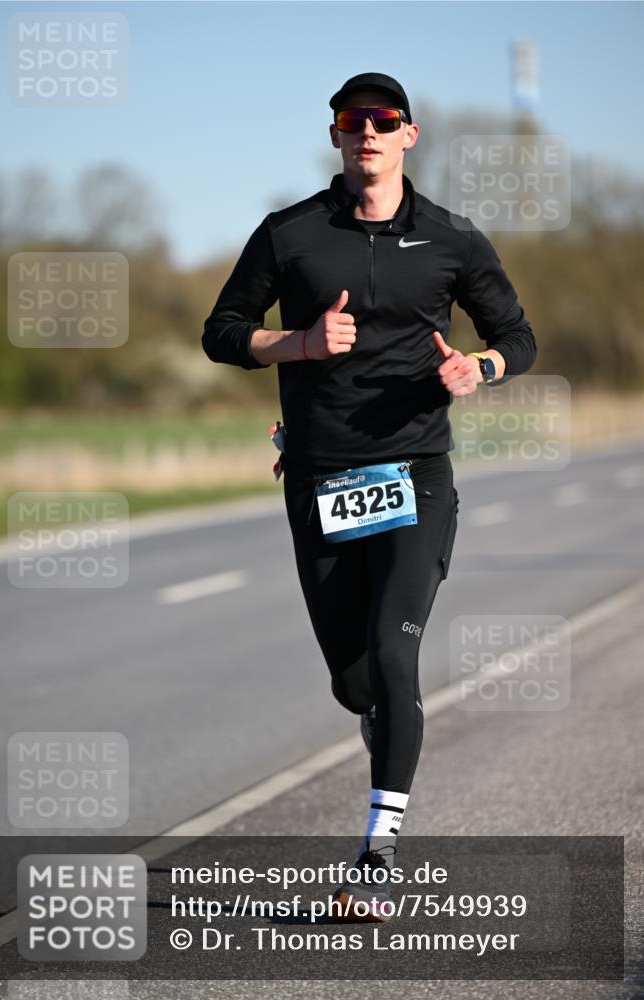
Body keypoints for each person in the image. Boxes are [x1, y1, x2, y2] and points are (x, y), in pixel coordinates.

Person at [202, 72, 537, 922]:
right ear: (336, 136)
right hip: (320, 477)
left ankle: (376, 857)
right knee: (355, 683)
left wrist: (480, 367)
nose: (368, 134)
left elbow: (516, 336)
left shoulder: (453, 239)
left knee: (394, 654)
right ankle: (380, 722)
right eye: (353, 122)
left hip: (415, 473)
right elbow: (221, 333)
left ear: (408, 135)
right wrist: (301, 342)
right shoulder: (290, 234)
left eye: (384, 122)